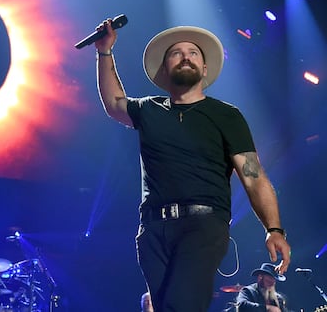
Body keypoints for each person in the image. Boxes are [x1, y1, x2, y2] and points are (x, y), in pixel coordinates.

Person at [94, 21, 291, 311]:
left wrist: (274, 229)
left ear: (205, 68)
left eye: (193, 53)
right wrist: (104, 52)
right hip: (153, 229)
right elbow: (113, 103)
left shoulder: (226, 115)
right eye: (176, 53)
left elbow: (253, 176)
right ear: (164, 69)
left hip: (203, 225)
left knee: (180, 305)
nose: (186, 56)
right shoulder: (149, 109)